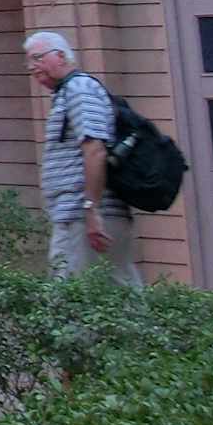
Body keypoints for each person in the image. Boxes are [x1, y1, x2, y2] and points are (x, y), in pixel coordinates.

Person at [24, 31, 143, 288]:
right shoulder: (70, 92)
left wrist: (91, 210)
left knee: (67, 294)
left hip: (81, 213)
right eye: (29, 60)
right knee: (121, 291)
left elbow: (95, 150)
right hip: (88, 213)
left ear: (60, 56)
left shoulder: (79, 89)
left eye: (37, 58)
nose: (31, 66)